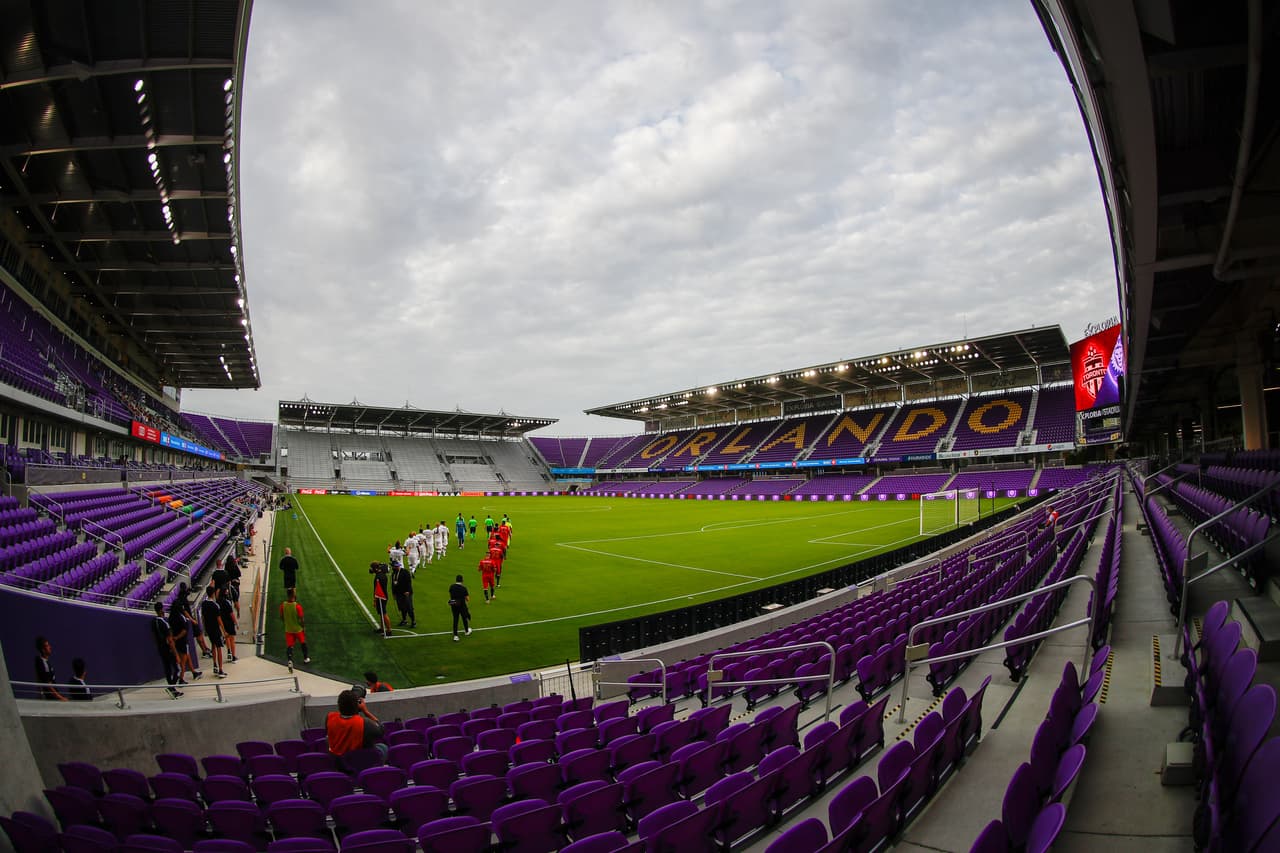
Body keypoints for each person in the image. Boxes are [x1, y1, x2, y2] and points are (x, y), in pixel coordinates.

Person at [326, 689, 386, 758]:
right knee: (383, 747)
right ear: (357, 706)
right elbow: (381, 730)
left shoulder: (329, 717)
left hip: (336, 761)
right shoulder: (364, 723)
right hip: (356, 761)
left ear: (339, 705)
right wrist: (366, 711)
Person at [152, 602, 183, 698]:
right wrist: (176, 654)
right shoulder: (165, 623)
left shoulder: (153, 622)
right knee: (178, 669)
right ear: (161, 610)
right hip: (168, 650)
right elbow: (170, 640)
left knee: (168, 670)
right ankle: (171, 687)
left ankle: (172, 689)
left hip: (161, 649)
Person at [200, 586, 228, 677]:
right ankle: (220, 670)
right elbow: (219, 620)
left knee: (213, 645)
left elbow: (203, 617)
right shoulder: (215, 605)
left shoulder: (204, 604)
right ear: (213, 593)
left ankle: (215, 665)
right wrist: (224, 631)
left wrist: (204, 629)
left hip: (208, 628)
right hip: (215, 628)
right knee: (219, 647)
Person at [279, 588, 311, 668]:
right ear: (293, 595)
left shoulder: (283, 605)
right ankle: (306, 658)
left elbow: (281, 616)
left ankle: (289, 660)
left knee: (290, 645)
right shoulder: (297, 606)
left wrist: (286, 622)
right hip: (297, 629)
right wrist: (303, 627)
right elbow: (301, 619)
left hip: (288, 629)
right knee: (303, 642)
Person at [34, 636, 68, 701]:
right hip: (52, 698)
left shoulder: (40, 660)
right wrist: (61, 698)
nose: (50, 647)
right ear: (43, 650)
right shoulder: (43, 664)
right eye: (47, 646)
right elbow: (48, 685)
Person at [369, 562, 392, 637]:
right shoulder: (382, 575)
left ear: (375, 568)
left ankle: (389, 630)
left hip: (381, 597)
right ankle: (382, 628)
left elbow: (377, 590)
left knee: (384, 613)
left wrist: (375, 600)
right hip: (383, 596)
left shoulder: (378, 577)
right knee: (381, 613)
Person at [219, 582, 239, 664]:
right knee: (232, 639)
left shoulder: (218, 602)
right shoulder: (227, 602)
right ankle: (233, 656)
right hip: (229, 622)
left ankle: (229, 652)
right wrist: (236, 623)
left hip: (223, 622)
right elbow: (231, 614)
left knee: (226, 637)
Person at [392, 560, 415, 628]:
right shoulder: (394, 573)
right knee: (402, 607)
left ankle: (413, 621)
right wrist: (394, 593)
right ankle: (404, 620)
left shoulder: (405, 572)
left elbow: (409, 582)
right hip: (399, 593)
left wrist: (408, 591)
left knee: (409, 607)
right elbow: (393, 584)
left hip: (406, 593)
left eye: (394, 566)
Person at [449, 574, 472, 642]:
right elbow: (467, 599)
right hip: (462, 605)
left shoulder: (452, 587)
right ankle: (466, 631)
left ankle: (455, 636)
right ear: (462, 580)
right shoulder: (463, 588)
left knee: (455, 619)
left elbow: (451, 595)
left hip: (453, 604)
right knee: (464, 618)